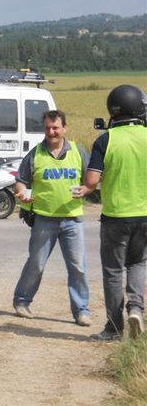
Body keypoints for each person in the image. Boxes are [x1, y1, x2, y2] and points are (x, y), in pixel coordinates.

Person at [77, 85, 147, 341]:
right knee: (138, 262)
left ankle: (114, 328)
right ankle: (137, 309)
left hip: (116, 215)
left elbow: (92, 180)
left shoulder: (106, 140)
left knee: (114, 270)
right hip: (145, 214)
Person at [12, 110, 91, 326]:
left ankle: (82, 311)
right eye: (47, 128)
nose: (51, 132)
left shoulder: (78, 151)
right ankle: (21, 301)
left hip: (72, 219)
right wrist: (21, 194)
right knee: (36, 264)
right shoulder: (36, 154)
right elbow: (21, 180)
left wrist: (85, 189)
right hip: (44, 219)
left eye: (55, 127)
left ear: (64, 128)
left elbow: (91, 178)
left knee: (78, 267)